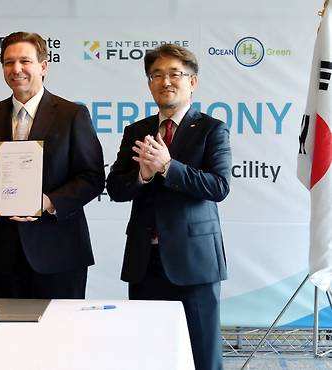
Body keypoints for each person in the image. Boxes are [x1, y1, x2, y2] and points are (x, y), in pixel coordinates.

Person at [106, 44, 231, 370]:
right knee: (150, 354)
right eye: (157, 75)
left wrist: (168, 167)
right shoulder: (137, 131)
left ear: (193, 82)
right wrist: (143, 176)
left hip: (195, 263)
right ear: (149, 84)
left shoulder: (211, 129)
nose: (166, 82)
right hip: (145, 262)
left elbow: (219, 187)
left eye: (175, 74)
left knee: (203, 356)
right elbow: (116, 189)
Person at [0, 32, 104, 299]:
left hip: (59, 254)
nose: (16, 69)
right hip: (3, 255)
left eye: (25, 61)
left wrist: (45, 202)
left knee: (60, 338)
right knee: (8, 339)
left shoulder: (72, 115)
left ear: (43, 66)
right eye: (8, 62)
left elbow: (92, 177)